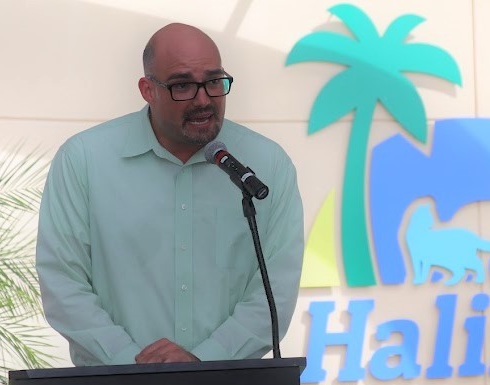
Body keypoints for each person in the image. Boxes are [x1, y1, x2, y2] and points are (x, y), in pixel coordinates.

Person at [36, 23, 304, 366]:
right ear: (148, 90)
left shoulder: (266, 164)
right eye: (183, 85)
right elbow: (63, 282)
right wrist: (131, 364)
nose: (203, 99)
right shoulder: (85, 160)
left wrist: (205, 361)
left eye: (214, 82)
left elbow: (275, 288)